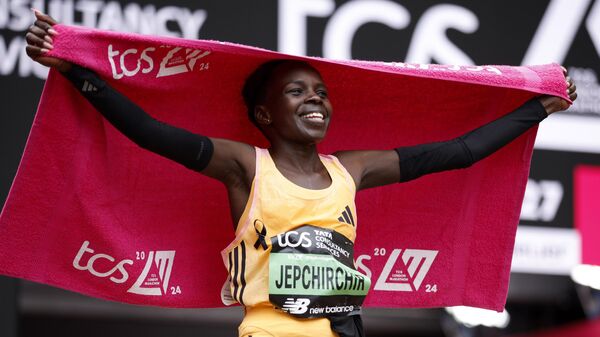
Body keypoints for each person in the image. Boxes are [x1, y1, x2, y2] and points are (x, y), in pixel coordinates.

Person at [25, 10, 577, 337]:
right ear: (265, 115)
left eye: (320, 92)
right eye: (297, 92)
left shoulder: (352, 171)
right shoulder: (246, 166)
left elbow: (457, 151)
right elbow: (148, 132)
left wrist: (537, 109)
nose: (315, 100)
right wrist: (78, 71)